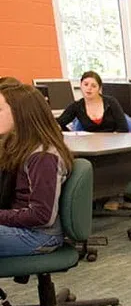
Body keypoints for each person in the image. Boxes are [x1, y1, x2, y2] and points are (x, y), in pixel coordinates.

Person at [0, 82, 74, 257]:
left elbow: (42, 216)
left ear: (20, 114)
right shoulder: (17, 146)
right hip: (22, 227)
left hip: (39, 235)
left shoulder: (43, 157)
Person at [56, 71, 128, 133]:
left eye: (93, 86)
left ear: (99, 89)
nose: (89, 88)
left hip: (114, 143)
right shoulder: (76, 106)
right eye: (86, 84)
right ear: (81, 85)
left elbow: (123, 129)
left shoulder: (111, 102)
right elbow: (58, 124)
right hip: (90, 145)